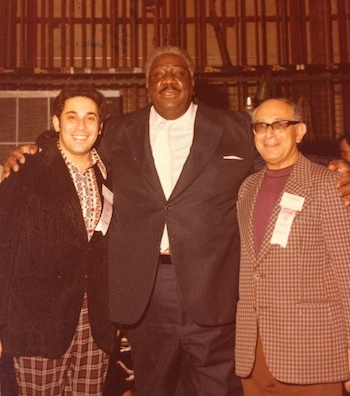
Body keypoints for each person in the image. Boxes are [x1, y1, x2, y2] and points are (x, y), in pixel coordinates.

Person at [2, 47, 350, 396]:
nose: (168, 79)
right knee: (153, 387)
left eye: (178, 72)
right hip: (147, 294)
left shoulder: (234, 126)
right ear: (148, 85)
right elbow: (73, 145)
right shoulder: (118, 132)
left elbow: (277, 158)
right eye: (159, 73)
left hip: (214, 291)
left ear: (192, 82)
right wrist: (31, 151)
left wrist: (330, 165)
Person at [0, 84, 117, 395]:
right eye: (72, 117)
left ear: (100, 126)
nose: (81, 126)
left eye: (90, 118)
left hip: (96, 325)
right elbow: (4, 249)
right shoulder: (27, 170)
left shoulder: (110, 175)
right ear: (56, 123)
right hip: (37, 326)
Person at [235, 98, 350, 396]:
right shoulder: (247, 188)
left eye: (280, 125)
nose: (269, 133)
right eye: (261, 126)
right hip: (255, 354)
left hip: (313, 352)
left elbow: (346, 271)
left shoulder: (328, 184)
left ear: (299, 132)